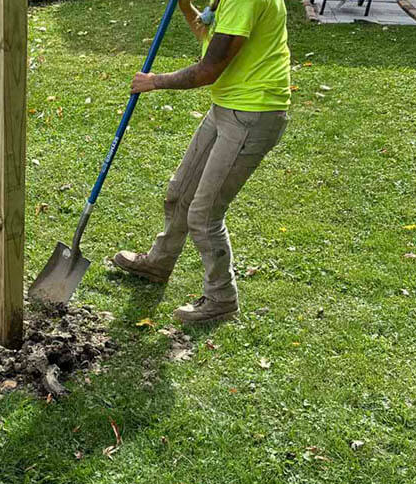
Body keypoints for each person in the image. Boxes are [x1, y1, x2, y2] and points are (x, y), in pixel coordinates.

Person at [113, 0, 291, 323]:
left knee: (204, 214)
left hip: (253, 112)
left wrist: (154, 81)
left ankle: (222, 298)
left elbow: (209, 69)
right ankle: (159, 262)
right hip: (227, 105)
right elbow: (212, 36)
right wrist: (185, 7)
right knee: (180, 192)